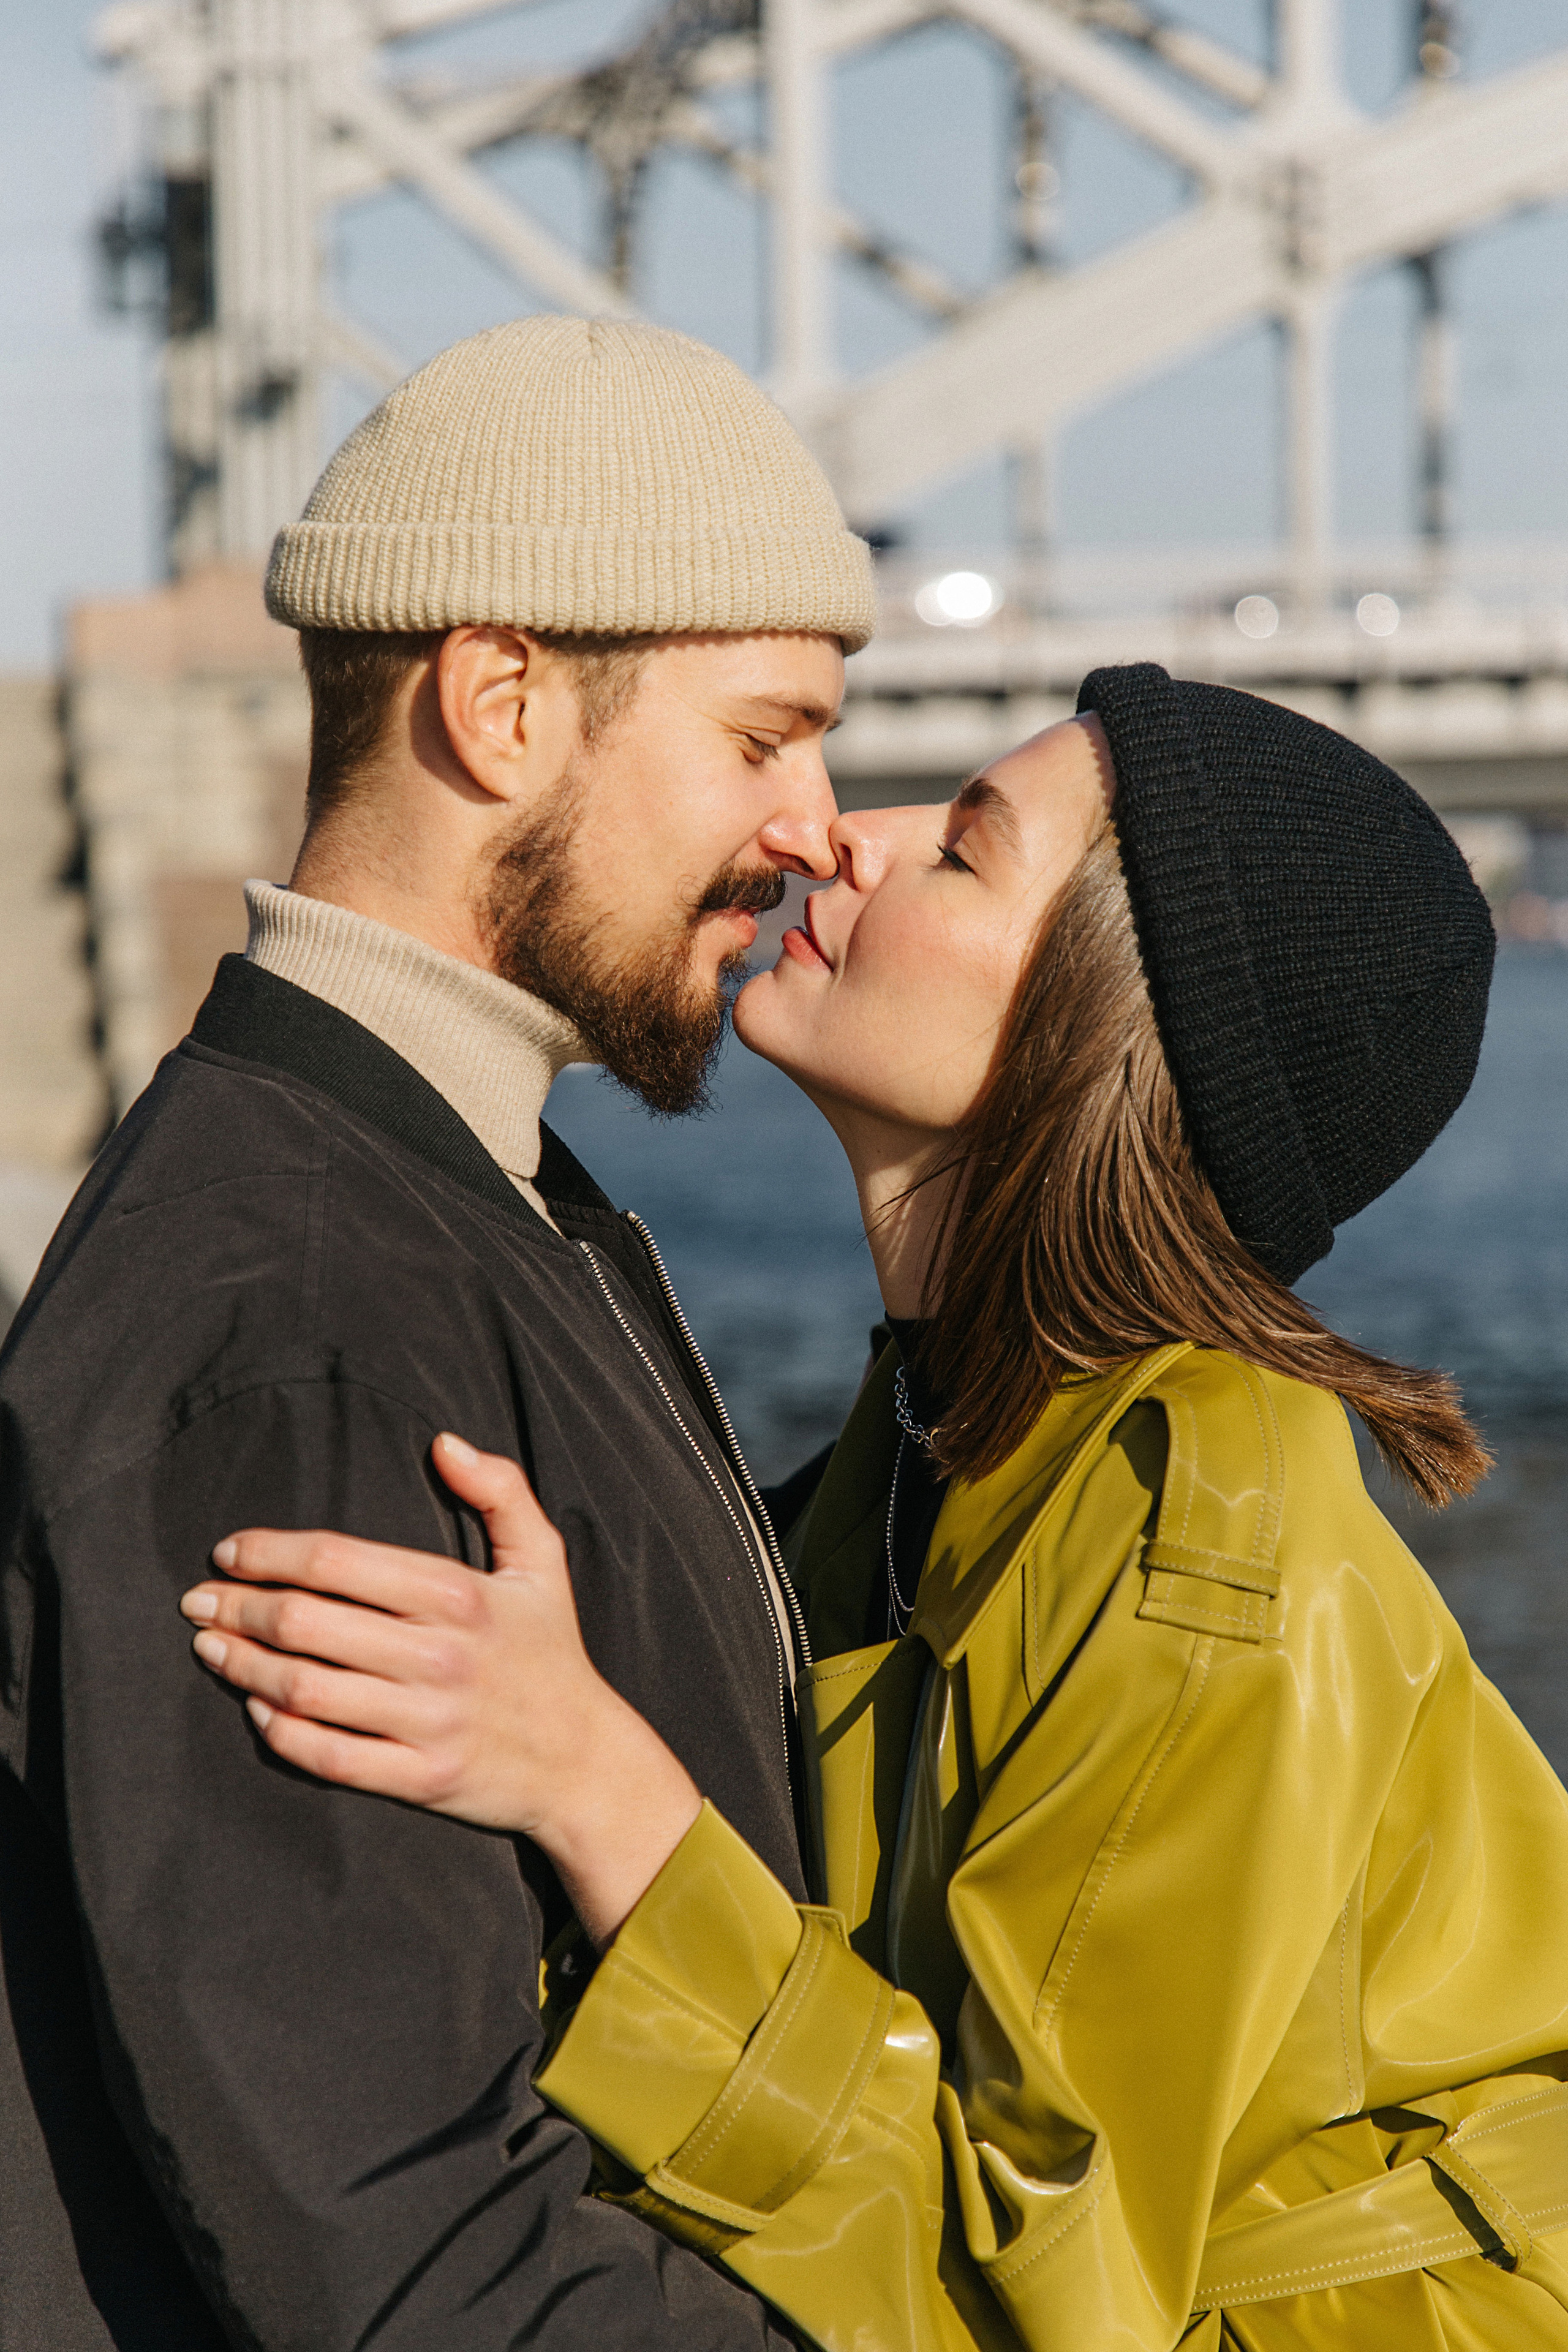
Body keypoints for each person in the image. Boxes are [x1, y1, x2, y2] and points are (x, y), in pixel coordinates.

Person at [186, 665, 1568, 2352]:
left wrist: (604, 1794)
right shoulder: (942, 1433)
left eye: (967, 852)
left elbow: (1036, 2293)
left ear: (1108, 1023)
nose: (849, 837)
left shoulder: (1192, 1544)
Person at [0, 315, 876, 2351]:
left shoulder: (456, 1201)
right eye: (764, 737)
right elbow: (405, 2258)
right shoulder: (295, 1318)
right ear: (498, 703)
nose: (821, 826)